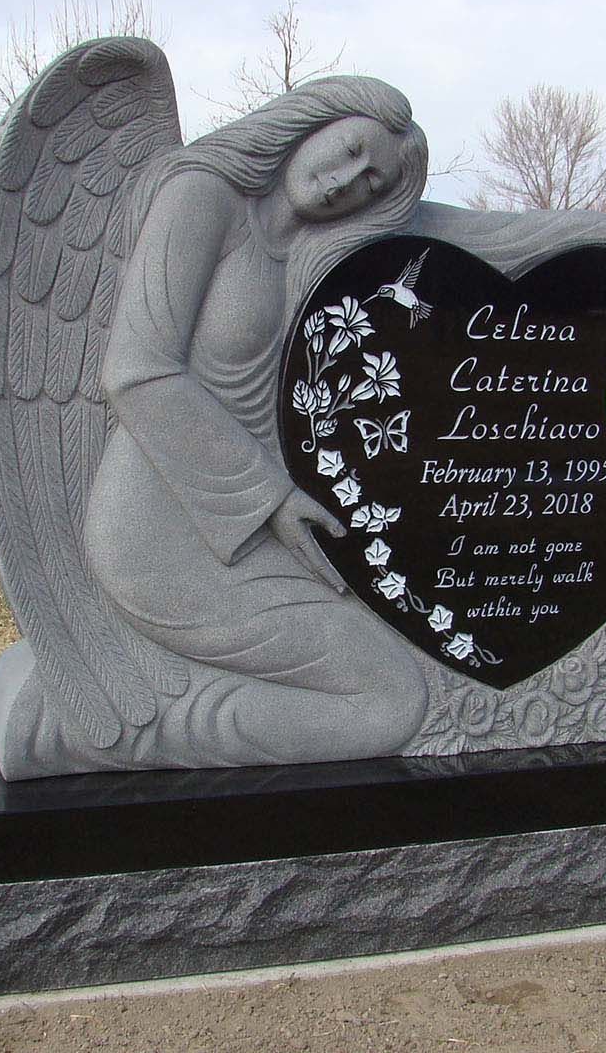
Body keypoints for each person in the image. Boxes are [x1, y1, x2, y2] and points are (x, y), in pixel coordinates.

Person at [79, 77, 435, 766]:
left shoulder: (304, 245)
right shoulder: (202, 197)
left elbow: (462, 233)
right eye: (352, 150)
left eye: (370, 184)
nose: (347, 181)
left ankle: (140, 712)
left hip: (248, 527)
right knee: (387, 700)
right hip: (162, 525)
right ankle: (97, 730)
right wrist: (269, 498)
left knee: (389, 691)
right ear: (320, 118)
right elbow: (135, 371)